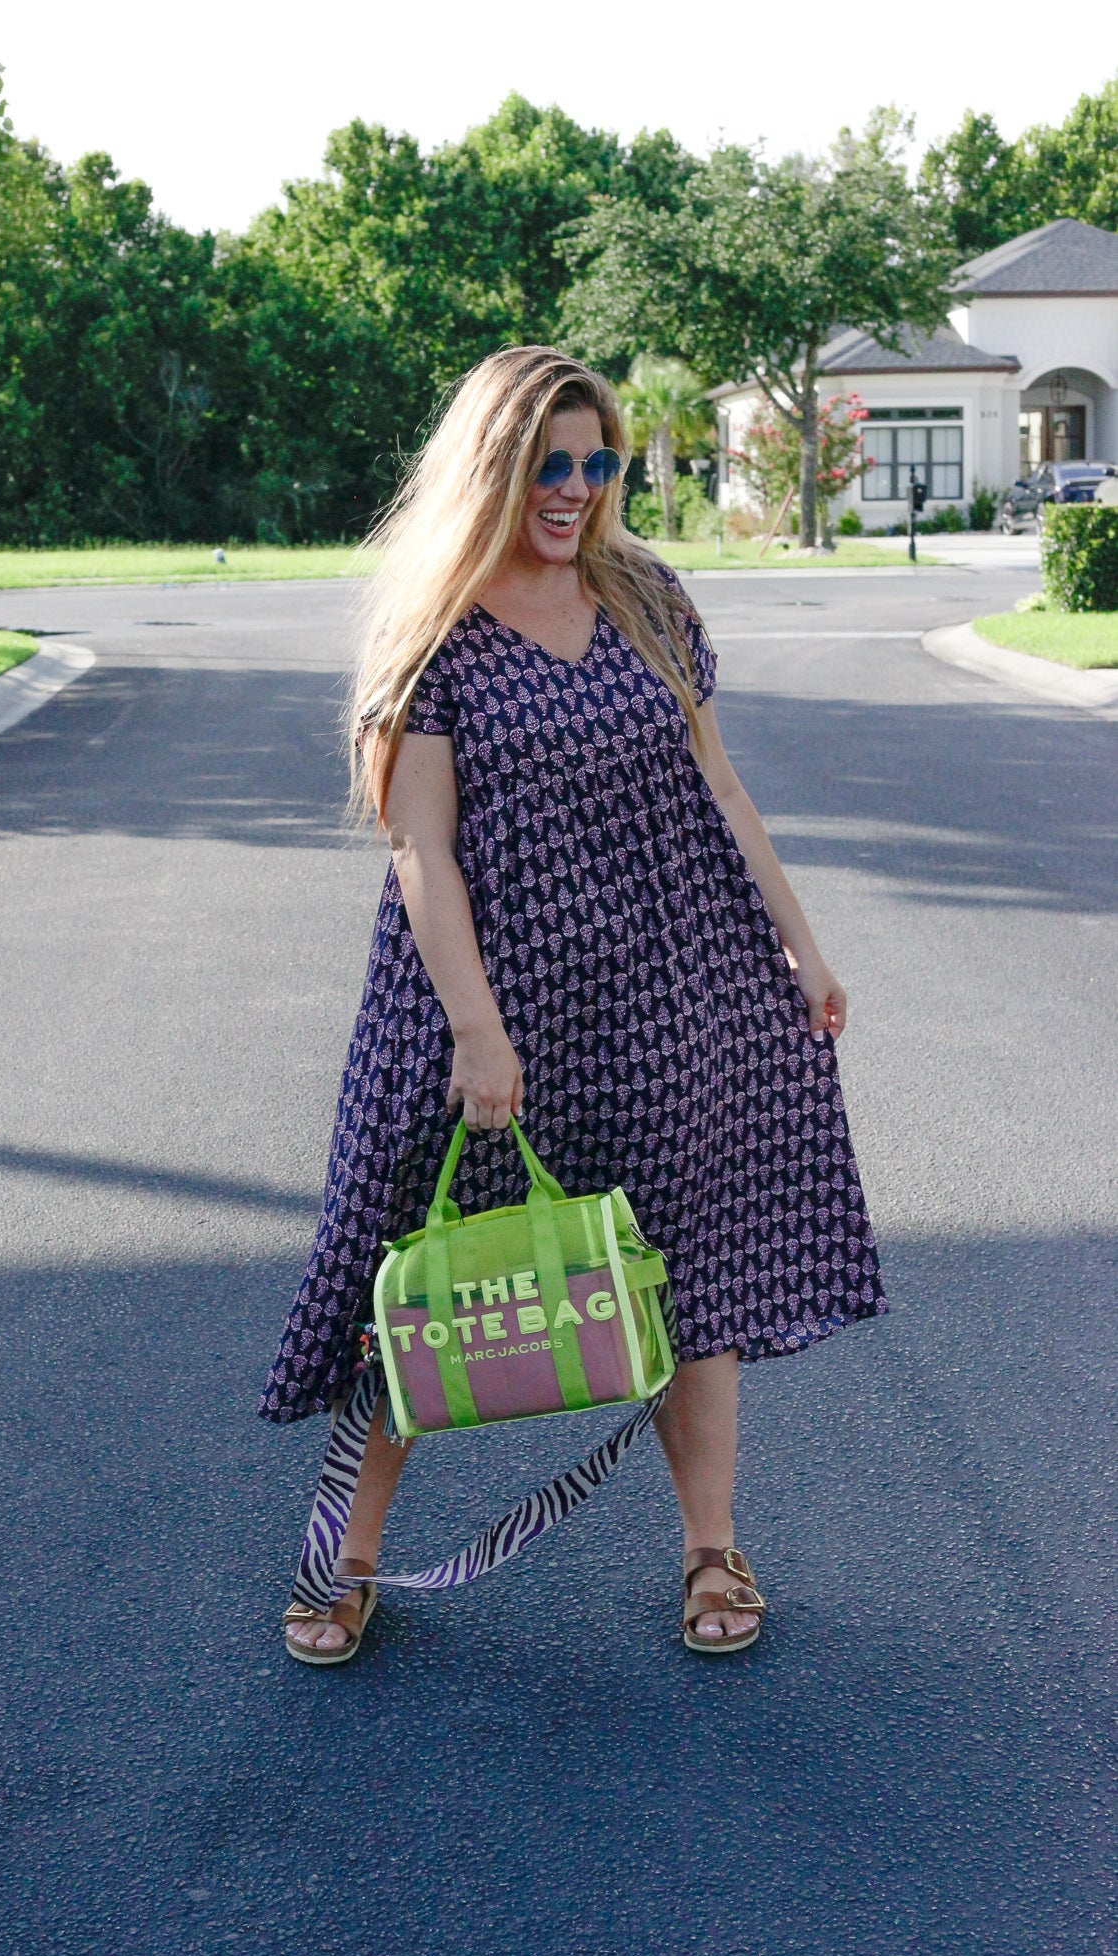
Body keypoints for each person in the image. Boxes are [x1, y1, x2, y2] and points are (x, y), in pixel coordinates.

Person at [263, 345, 887, 1663]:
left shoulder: (648, 598)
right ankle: (346, 1560)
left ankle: (709, 1553)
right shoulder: (435, 632)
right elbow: (418, 850)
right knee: (414, 1281)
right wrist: (480, 1034)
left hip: (673, 988)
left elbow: (719, 788)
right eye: (550, 463)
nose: (577, 487)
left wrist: (801, 945)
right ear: (491, 468)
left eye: (598, 462)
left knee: (690, 1272)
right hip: (483, 1008)